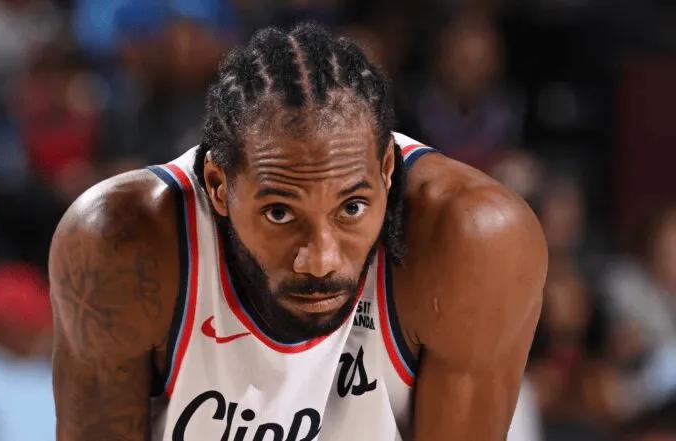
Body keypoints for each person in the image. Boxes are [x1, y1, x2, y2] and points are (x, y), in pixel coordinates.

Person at [49, 23, 547, 440]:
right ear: (218, 186)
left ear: (387, 172)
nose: (320, 259)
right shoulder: (120, 243)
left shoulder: (471, 240)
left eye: (351, 208)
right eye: (280, 213)